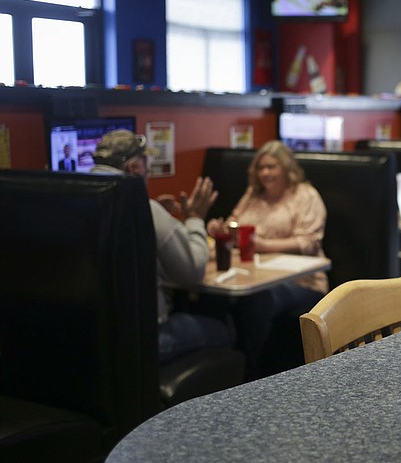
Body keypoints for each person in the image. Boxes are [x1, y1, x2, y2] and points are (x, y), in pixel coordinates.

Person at [90, 129, 233, 364]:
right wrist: (195, 218)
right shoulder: (144, 211)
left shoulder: (79, 201)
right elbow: (192, 272)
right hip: (144, 338)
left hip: (94, 337)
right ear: (134, 168)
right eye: (146, 166)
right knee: (224, 329)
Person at [207, 140, 328, 379]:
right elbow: (234, 226)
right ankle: (222, 373)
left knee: (259, 299)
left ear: (286, 168)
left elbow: (309, 242)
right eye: (260, 167)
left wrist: (264, 245)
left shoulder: (305, 195)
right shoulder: (253, 196)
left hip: (304, 281)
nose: (265, 173)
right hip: (254, 275)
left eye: (271, 167)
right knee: (213, 299)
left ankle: (250, 374)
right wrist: (219, 229)